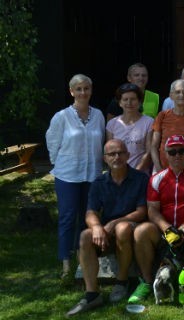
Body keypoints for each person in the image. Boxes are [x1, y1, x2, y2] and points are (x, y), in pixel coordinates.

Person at [65, 139, 148, 317]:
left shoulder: (141, 178)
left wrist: (114, 222)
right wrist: (96, 227)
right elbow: (90, 212)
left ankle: (121, 281)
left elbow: (142, 212)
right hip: (107, 233)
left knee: (123, 228)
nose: (116, 157)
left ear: (128, 155)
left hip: (133, 231)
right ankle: (92, 293)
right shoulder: (99, 182)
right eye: (111, 154)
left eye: (120, 153)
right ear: (105, 158)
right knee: (85, 236)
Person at [128, 135, 184, 304]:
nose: (177, 155)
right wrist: (167, 229)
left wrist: (182, 228)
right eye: (172, 152)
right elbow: (152, 210)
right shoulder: (157, 178)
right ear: (165, 154)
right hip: (162, 230)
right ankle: (146, 282)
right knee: (141, 230)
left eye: (181, 151)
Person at [46, 74, 105, 278]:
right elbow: (52, 143)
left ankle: (84, 260)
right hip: (68, 175)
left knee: (87, 217)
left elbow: (101, 142)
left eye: (86, 88)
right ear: (71, 91)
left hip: (92, 175)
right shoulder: (61, 117)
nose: (82, 92)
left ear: (91, 90)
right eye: (78, 89)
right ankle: (65, 263)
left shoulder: (98, 115)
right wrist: (62, 163)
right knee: (67, 217)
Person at [106, 83, 154, 172]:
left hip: (140, 175)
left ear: (140, 102)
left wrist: (135, 174)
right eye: (125, 99)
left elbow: (149, 152)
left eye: (133, 99)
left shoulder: (149, 122)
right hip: (117, 175)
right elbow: (109, 153)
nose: (129, 103)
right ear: (120, 102)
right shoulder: (112, 124)